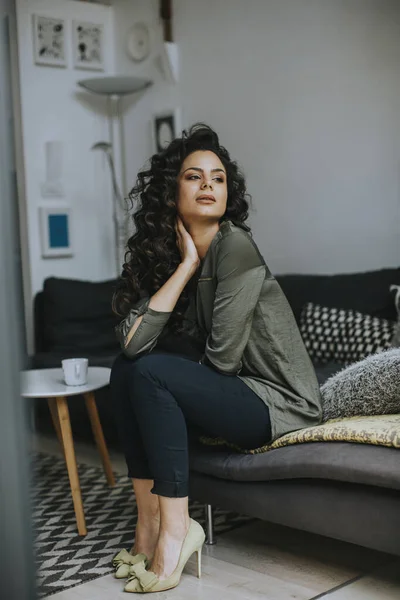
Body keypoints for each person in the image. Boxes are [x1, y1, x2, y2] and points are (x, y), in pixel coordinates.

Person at [110, 123, 322, 593]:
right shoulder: (180, 257)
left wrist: (171, 393)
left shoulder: (235, 246)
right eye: (193, 176)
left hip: (278, 405)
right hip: (238, 394)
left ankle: (178, 530)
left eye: (218, 177)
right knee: (126, 370)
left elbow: (223, 363)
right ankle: (147, 527)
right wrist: (185, 266)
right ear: (171, 192)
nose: (208, 184)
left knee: (149, 374)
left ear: (228, 193)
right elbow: (131, 345)